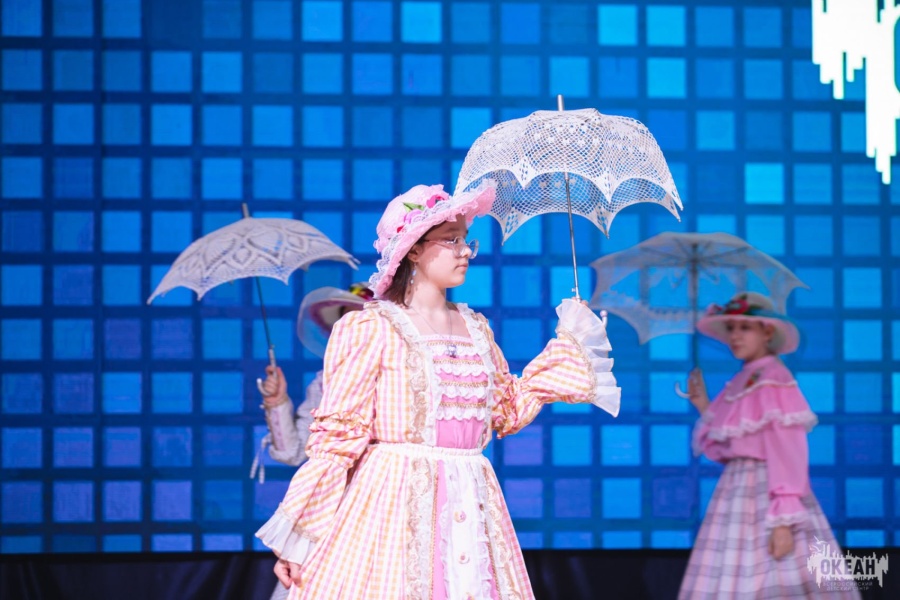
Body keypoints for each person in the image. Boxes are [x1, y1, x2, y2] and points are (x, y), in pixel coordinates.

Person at [255, 181, 621, 599]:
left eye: (466, 240)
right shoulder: (371, 327)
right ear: (413, 249)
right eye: (451, 240)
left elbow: (506, 412)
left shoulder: (477, 328)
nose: (465, 251)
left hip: (470, 493)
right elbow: (337, 441)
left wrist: (570, 342)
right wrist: (299, 534)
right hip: (392, 503)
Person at [679, 292, 860, 599]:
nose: (735, 336)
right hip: (737, 491)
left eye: (745, 328)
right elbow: (727, 448)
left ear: (767, 332)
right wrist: (704, 406)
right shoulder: (744, 378)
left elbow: (787, 450)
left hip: (770, 489)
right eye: (731, 329)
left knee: (774, 575)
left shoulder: (773, 377)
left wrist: (784, 521)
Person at [252, 283, 373, 600]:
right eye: (343, 324)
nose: (349, 332)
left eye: (360, 323)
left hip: (382, 504)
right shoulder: (325, 383)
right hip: (330, 509)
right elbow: (292, 452)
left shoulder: (400, 378)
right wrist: (277, 402)